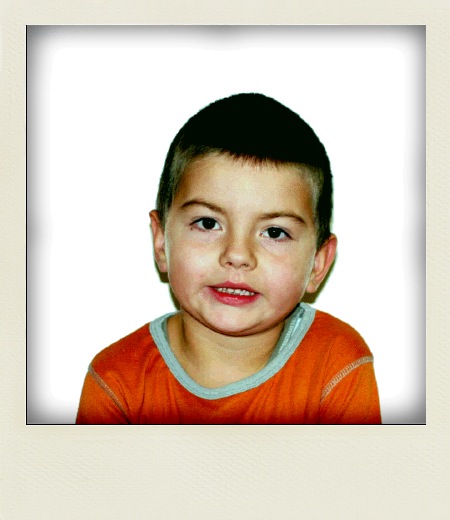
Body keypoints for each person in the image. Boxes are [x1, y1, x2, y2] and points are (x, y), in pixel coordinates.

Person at [76, 93, 381, 424]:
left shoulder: (336, 365)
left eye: (274, 232)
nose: (237, 255)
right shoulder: (117, 383)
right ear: (162, 242)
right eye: (208, 224)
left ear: (318, 264)